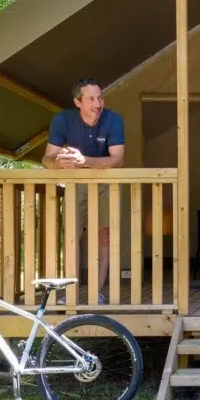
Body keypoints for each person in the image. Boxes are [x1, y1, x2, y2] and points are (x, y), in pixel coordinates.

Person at [42, 79, 125, 304]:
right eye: (91, 99)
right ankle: (70, 293)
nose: (97, 104)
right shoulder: (62, 120)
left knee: (104, 238)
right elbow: (47, 159)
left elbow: (117, 160)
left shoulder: (113, 119)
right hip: (74, 184)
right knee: (72, 237)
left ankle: (96, 293)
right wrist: (59, 163)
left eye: (100, 98)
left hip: (106, 183)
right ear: (77, 102)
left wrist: (83, 160)